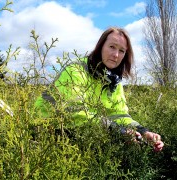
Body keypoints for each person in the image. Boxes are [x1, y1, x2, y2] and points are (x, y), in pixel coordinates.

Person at [34, 27, 164, 152]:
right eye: (112, 47)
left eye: (122, 51)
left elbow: (119, 114)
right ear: (100, 47)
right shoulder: (76, 70)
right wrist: (118, 130)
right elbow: (75, 113)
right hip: (45, 130)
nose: (116, 55)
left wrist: (143, 132)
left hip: (80, 131)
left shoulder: (114, 82)